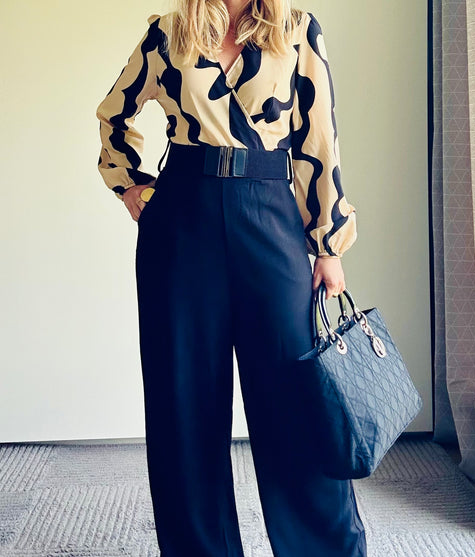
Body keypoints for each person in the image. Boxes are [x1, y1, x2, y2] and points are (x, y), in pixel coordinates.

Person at [96, 0, 366, 555]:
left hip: (270, 216)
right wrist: (130, 185)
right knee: (183, 401)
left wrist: (328, 244)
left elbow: (318, 140)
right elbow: (114, 113)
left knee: (294, 400)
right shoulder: (168, 33)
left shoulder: (296, 30)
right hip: (182, 224)